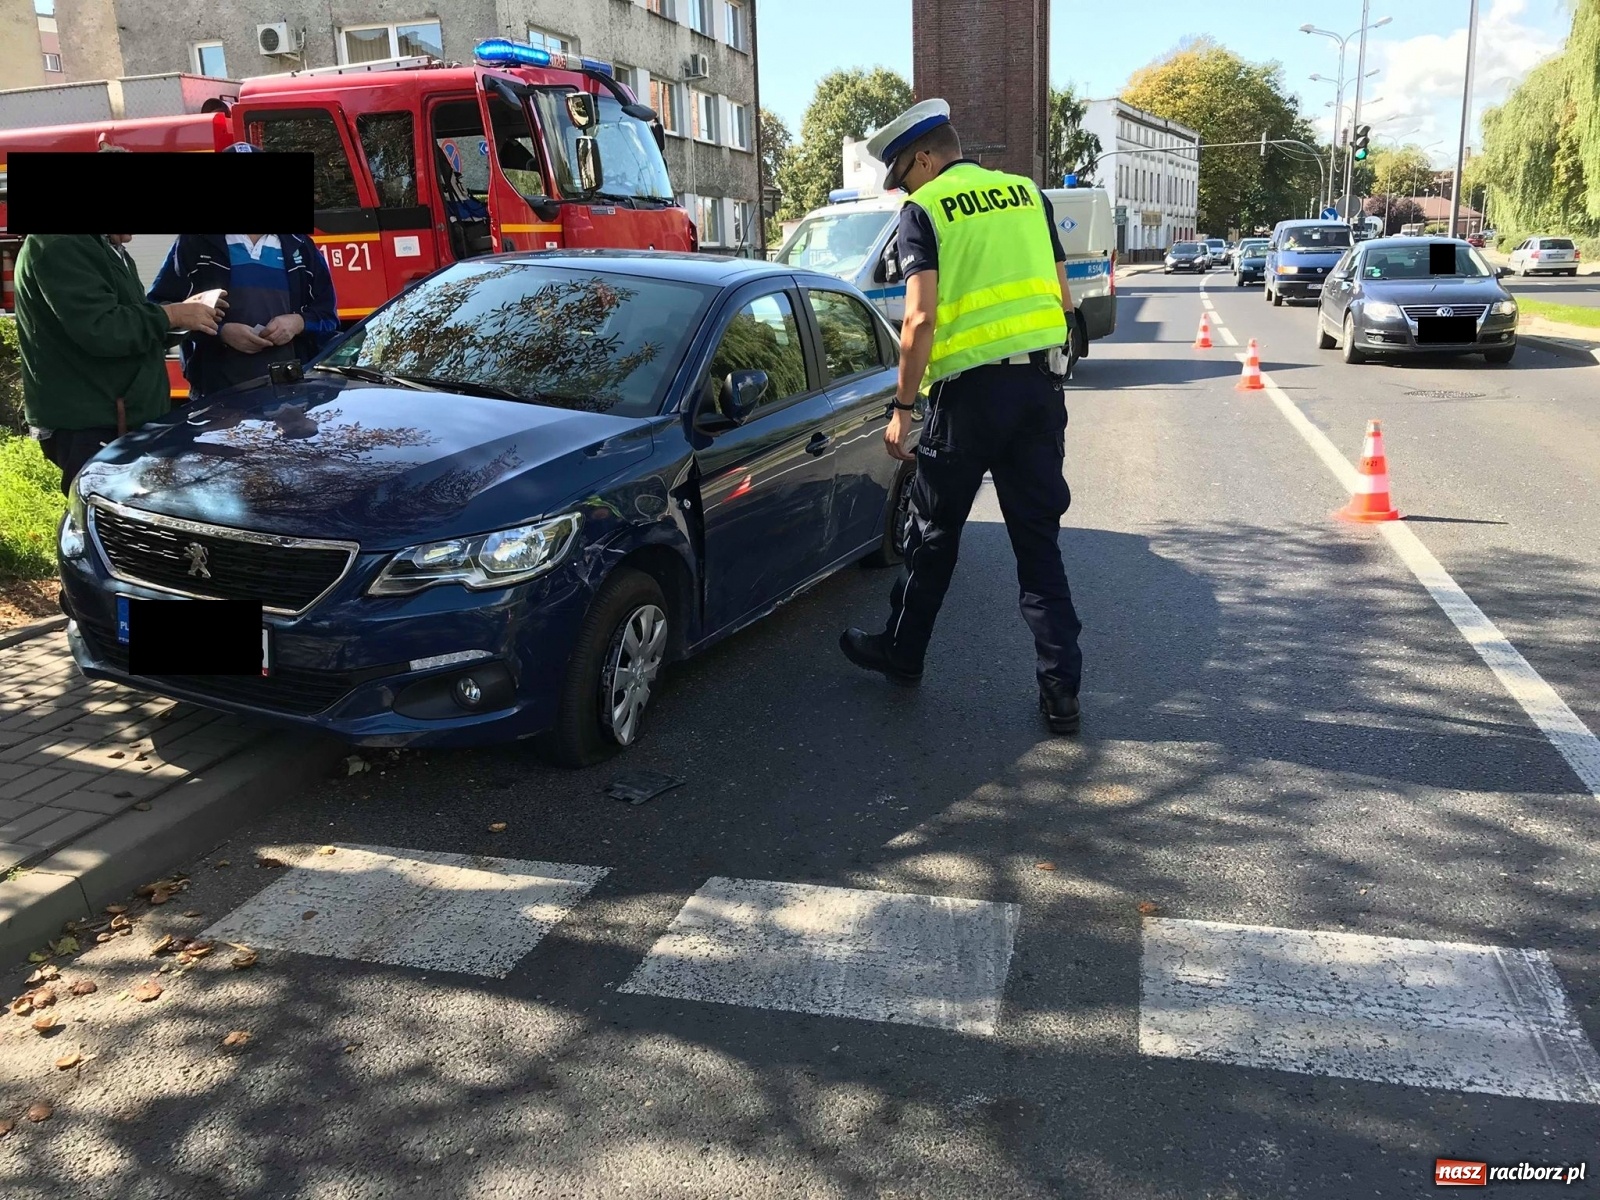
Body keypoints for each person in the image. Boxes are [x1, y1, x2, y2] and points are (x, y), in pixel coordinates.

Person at [838, 99, 1086, 736]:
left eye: (903, 174)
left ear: (924, 158)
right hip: (1037, 390)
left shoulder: (927, 210)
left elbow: (919, 318)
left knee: (933, 532)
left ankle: (904, 653)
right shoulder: (1028, 195)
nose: (904, 189)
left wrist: (901, 408)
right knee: (1037, 543)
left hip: (968, 400)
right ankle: (1061, 692)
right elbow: (1062, 296)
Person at [13, 232, 224, 494]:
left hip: (118, 415)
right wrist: (171, 314)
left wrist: (181, 316)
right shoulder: (62, 242)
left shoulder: (103, 247)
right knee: (101, 519)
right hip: (93, 421)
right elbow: (102, 330)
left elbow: (131, 328)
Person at [147, 142, 338, 400]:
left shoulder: (300, 244)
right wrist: (222, 333)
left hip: (291, 398)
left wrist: (298, 322)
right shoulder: (195, 241)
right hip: (218, 396)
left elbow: (328, 315)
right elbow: (163, 308)